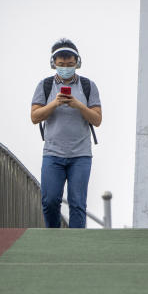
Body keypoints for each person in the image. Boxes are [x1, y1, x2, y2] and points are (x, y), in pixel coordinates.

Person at [30, 38, 102, 228]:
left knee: (78, 203)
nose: (66, 68)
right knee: (50, 200)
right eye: (61, 64)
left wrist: (77, 104)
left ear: (77, 62)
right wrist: (55, 103)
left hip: (81, 155)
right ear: (53, 63)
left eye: (70, 64)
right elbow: (35, 117)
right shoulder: (45, 86)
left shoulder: (88, 86)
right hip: (53, 154)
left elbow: (97, 119)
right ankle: (54, 239)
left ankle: (76, 246)